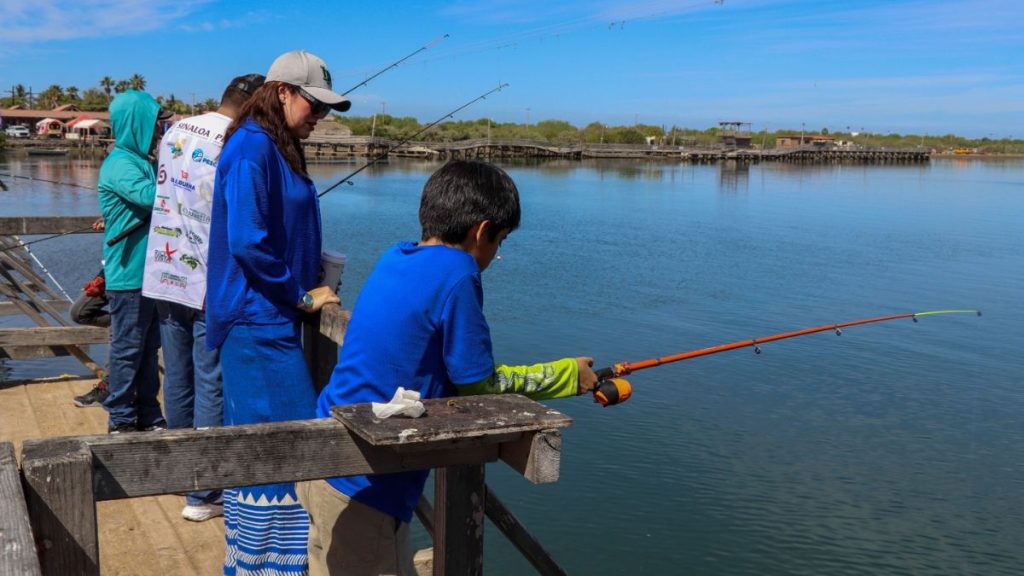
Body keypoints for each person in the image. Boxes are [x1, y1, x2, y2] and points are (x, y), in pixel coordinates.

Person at [299, 160, 599, 575]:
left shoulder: (397, 255)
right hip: (368, 481)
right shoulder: (459, 273)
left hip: (326, 459)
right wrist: (568, 375)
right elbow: (478, 383)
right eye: (500, 241)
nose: (497, 254)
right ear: (481, 231)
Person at [206, 50, 349, 575]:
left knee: (272, 449)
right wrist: (301, 295)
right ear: (282, 92)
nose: (321, 117)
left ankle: (261, 564)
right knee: (287, 450)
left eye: (327, 110)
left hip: (271, 320)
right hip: (256, 322)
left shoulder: (275, 146)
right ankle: (269, 566)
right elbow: (246, 239)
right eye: (315, 104)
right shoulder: (250, 148)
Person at [141, 73, 265, 523]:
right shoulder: (235, 141)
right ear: (251, 104)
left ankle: (181, 472)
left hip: (163, 270)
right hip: (205, 281)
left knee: (177, 376)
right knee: (209, 378)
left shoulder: (175, 130)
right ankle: (203, 492)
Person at [97, 90, 173, 433]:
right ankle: (121, 419)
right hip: (128, 275)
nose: (159, 128)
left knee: (148, 351)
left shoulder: (143, 161)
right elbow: (150, 197)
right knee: (127, 351)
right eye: (155, 121)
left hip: (151, 275)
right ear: (136, 123)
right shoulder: (120, 163)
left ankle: (148, 413)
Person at [70, 266, 111, 407]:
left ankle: (109, 386)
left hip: (130, 277)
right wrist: (100, 277)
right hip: (110, 271)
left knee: (119, 328)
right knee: (78, 312)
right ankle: (124, 322)